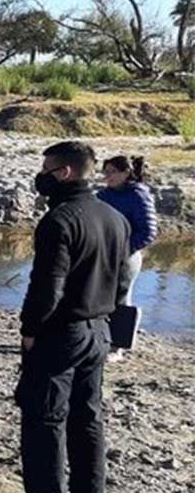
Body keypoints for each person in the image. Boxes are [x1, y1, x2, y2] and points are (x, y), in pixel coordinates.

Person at [4, 141, 131, 493]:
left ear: (65, 173)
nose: (41, 176)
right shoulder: (114, 218)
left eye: (46, 169)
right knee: (87, 415)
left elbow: (47, 287)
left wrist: (30, 330)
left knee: (45, 415)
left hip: (63, 332)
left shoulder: (60, 221)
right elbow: (122, 280)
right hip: (99, 330)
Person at [97, 155, 159, 363]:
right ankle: (99, 339)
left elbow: (148, 232)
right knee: (98, 296)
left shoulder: (138, 195)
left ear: (126, 173)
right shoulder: (102, 195)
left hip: (127, 256)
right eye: (105, 173)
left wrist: (125, 251)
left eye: (112, 172)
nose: (108, 177)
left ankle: (118, 347)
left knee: (121, 299)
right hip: (102, 254)